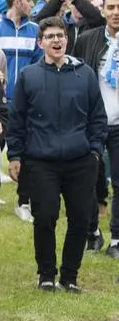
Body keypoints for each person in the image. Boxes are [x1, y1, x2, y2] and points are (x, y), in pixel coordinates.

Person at [6, 17, 107, 292]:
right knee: (46, 217)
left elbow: (98, 116)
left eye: (60, 36)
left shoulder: (84, 74)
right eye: (50, 36)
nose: (56, 41)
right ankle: (46, 275)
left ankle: (70, 277)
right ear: (41, 43)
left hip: (80, 160)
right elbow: (17, 120)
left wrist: (95, 151)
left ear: (67, 40)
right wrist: (15, 155)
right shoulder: (29, 76)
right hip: (41, 161)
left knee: (80, 220)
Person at [0, 0, 41, 223]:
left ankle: (24, 202)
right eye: (29, 0)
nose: (32, 4)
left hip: (27, 103)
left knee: (27, 153)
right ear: (17, 2)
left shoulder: (35, 30)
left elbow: (41, 65)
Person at [72, 0, 119, 260]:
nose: (115, 12)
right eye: (110, 7)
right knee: (87, 180)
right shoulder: (89, 39)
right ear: (103, 11)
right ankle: (92, 231)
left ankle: (117, 237)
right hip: (93, 123)